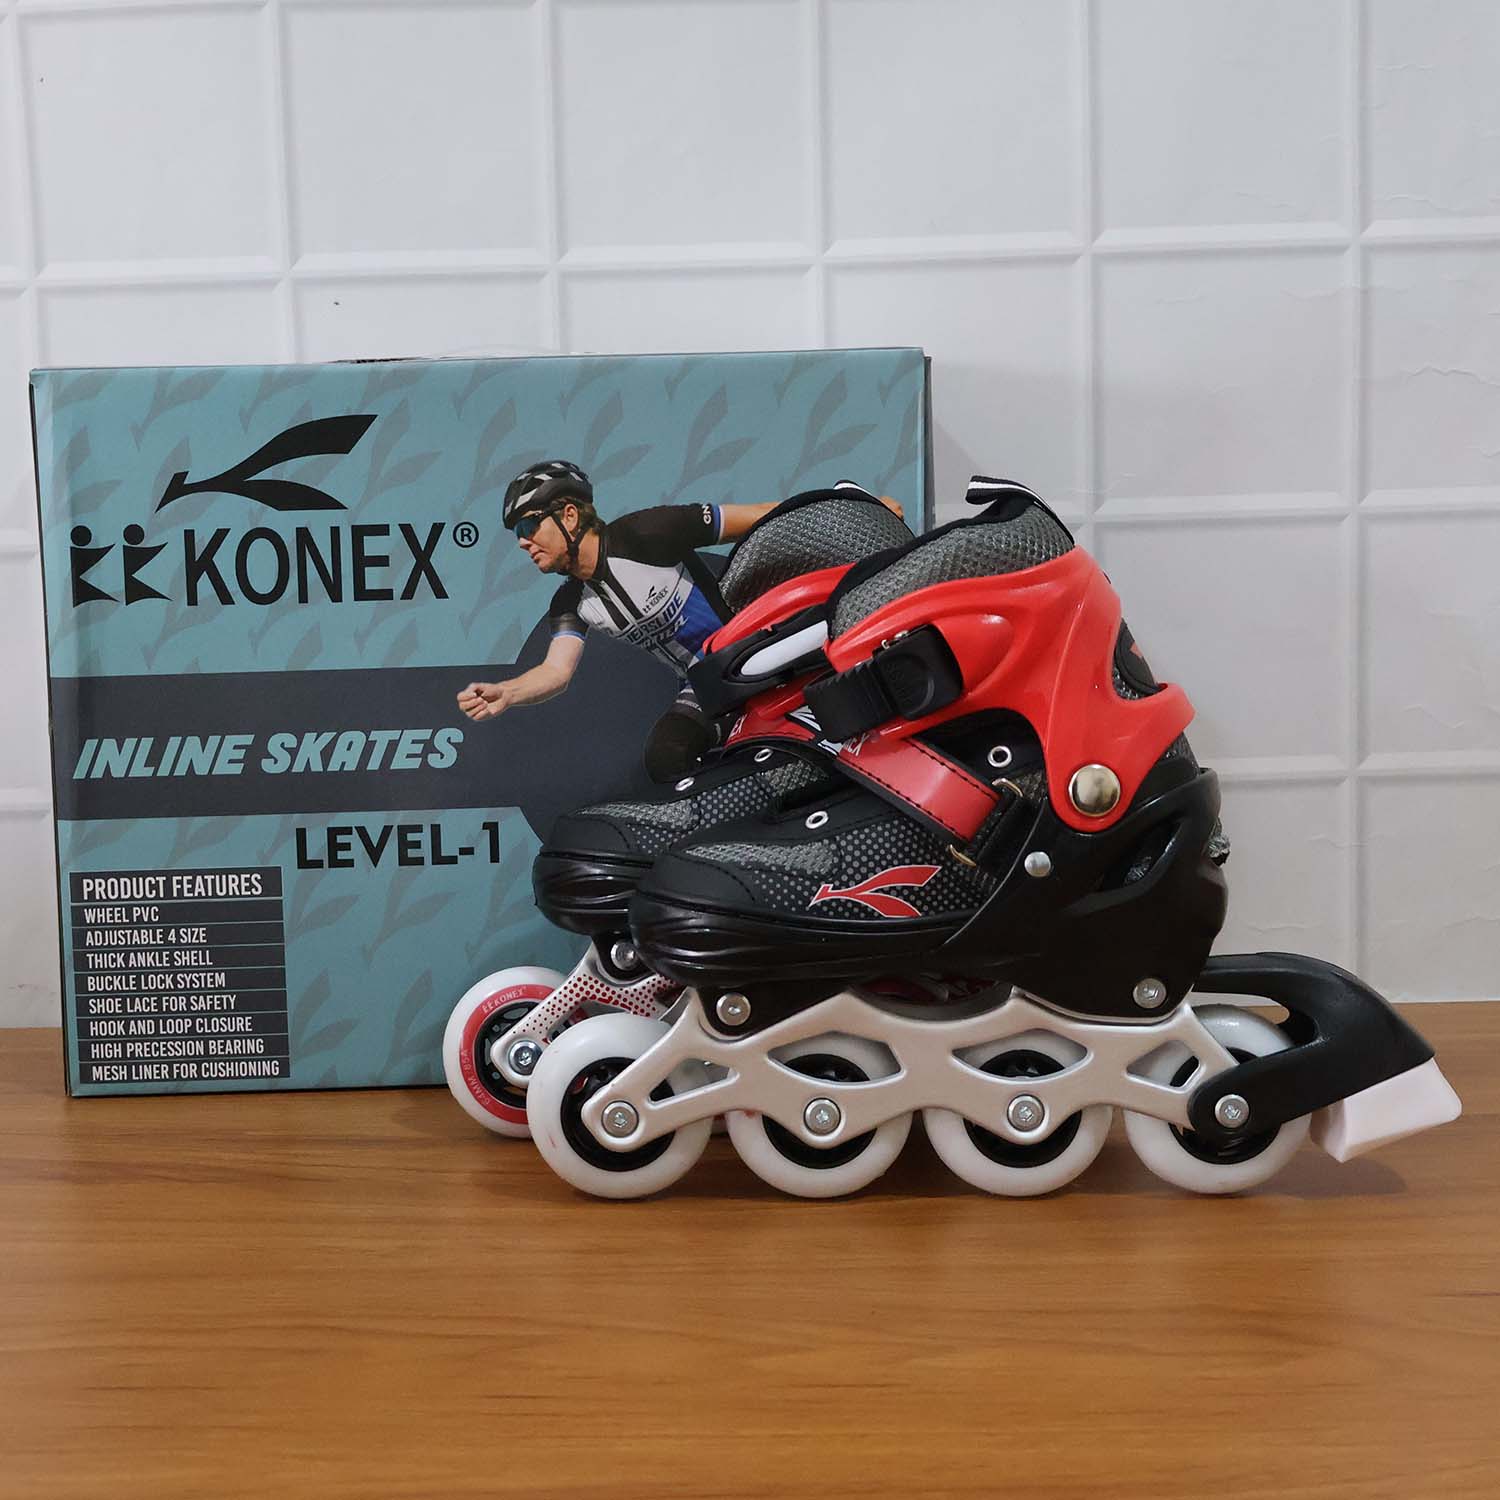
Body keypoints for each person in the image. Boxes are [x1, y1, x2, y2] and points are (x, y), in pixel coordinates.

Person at [456, 460, 899, 778]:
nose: (522, 542)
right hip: (706, 686)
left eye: (528, 526)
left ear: (568, 515)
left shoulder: (643, 534)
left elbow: (762, 519)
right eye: (517, 534)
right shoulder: (570, 602)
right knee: (666, 756)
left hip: (758, 651)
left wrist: (859, 507)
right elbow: (556, 672)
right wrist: (508, 693)